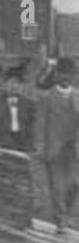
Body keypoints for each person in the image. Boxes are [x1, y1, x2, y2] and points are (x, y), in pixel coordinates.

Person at [35, 56, 79, 228]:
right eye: (62, 74)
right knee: (58, 186)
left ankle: (65, 210)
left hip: (74, 149)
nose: (66, 78)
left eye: (69, 74)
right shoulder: (47, 97)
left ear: (74, 76)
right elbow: (40, 124)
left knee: (75, 184)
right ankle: (59, 217)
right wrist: (41, 149)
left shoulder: (78, 96)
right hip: (55, 149)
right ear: (57, 75)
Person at [0, 63, 35, 153]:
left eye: (17, 83)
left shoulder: (29, 103)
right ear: (5, 84)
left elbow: (31, 127)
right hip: (3, 145)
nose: (14, 86)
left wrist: (29, 145)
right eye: (11, 82)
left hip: (22, 144)